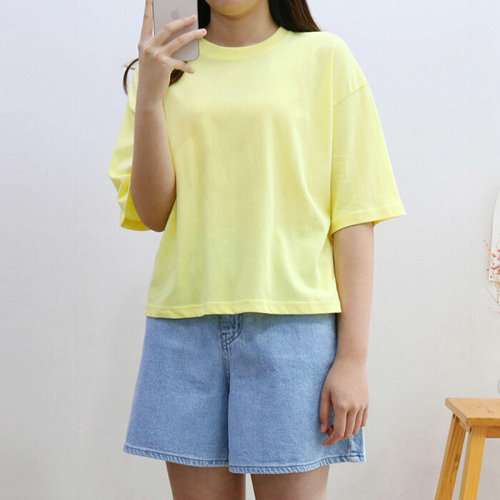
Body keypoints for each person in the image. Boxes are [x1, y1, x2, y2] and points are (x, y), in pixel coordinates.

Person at [108, 0, 407, 498]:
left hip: (293, 332)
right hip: (184, 331)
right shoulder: (162, 71)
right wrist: (151, 96)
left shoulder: (325, 58)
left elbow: (355, 219)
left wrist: (353, 360)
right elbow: (153, 211)